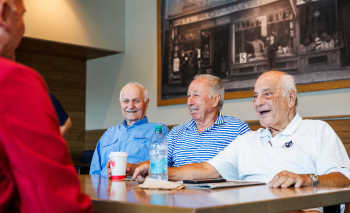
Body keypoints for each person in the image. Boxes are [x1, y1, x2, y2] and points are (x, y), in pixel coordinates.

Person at [134, 71, 350, 212]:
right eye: (255, 96)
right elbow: (206, 169)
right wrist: (156, 170)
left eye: (267, 94)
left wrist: (308, 179)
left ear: (291, 98)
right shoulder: (248, 139)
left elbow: (343, 180)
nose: (258, 102)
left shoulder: (317, 130)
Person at [0, 0, 92, 212]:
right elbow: (52, 200)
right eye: (22, 14)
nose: (24, 24)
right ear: (3, 12)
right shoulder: (14, 81)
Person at [107, 75, 250, 178]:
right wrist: (130, 168)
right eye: (188, 96)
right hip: (178, 197)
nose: (189, 102)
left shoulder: (237, 129)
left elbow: (250, 167)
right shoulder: (177, 132)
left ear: (215, 100)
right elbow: (158, 163)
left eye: (196, 95)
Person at [90, 82, 169, 176]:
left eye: (136, 100)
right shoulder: (109, 133)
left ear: (146, 103)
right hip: (104, 188)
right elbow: (94, 173)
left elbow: (162, 166)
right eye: (126, 101)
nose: (130, 106)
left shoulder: (159, 131)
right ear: (120, 103)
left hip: (137, 188)